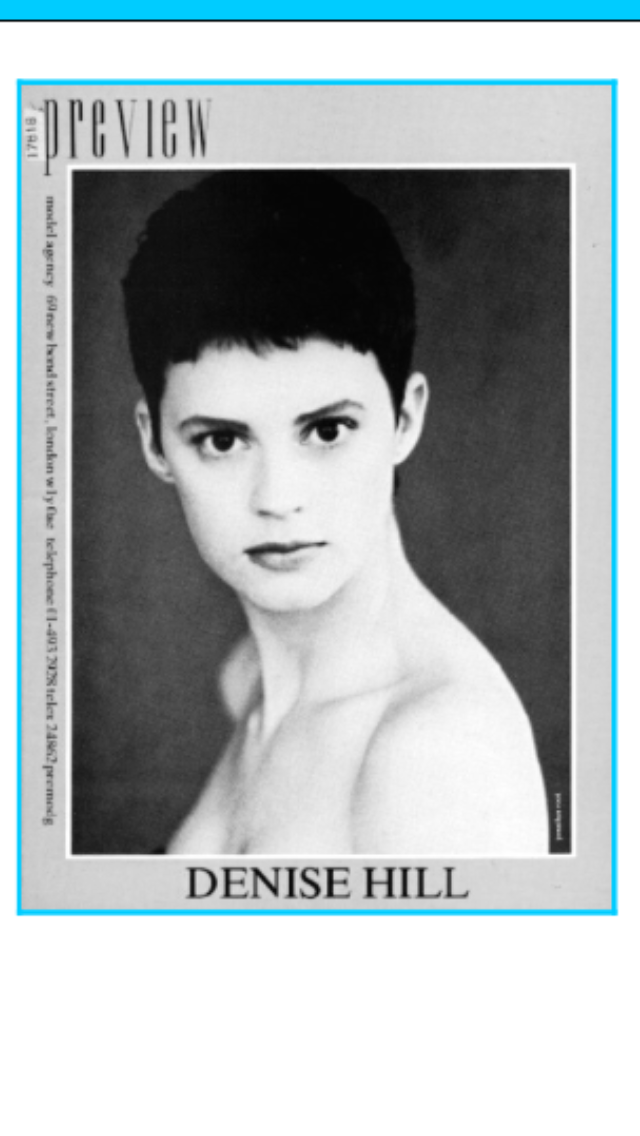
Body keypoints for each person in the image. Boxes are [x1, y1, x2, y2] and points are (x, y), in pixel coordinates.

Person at [123, 170, 548, 855]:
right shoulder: (247, 678)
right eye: (223, 441)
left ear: (404, 419)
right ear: (154, 442)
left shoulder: (437, 753)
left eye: (326, 431)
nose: (277, 498)